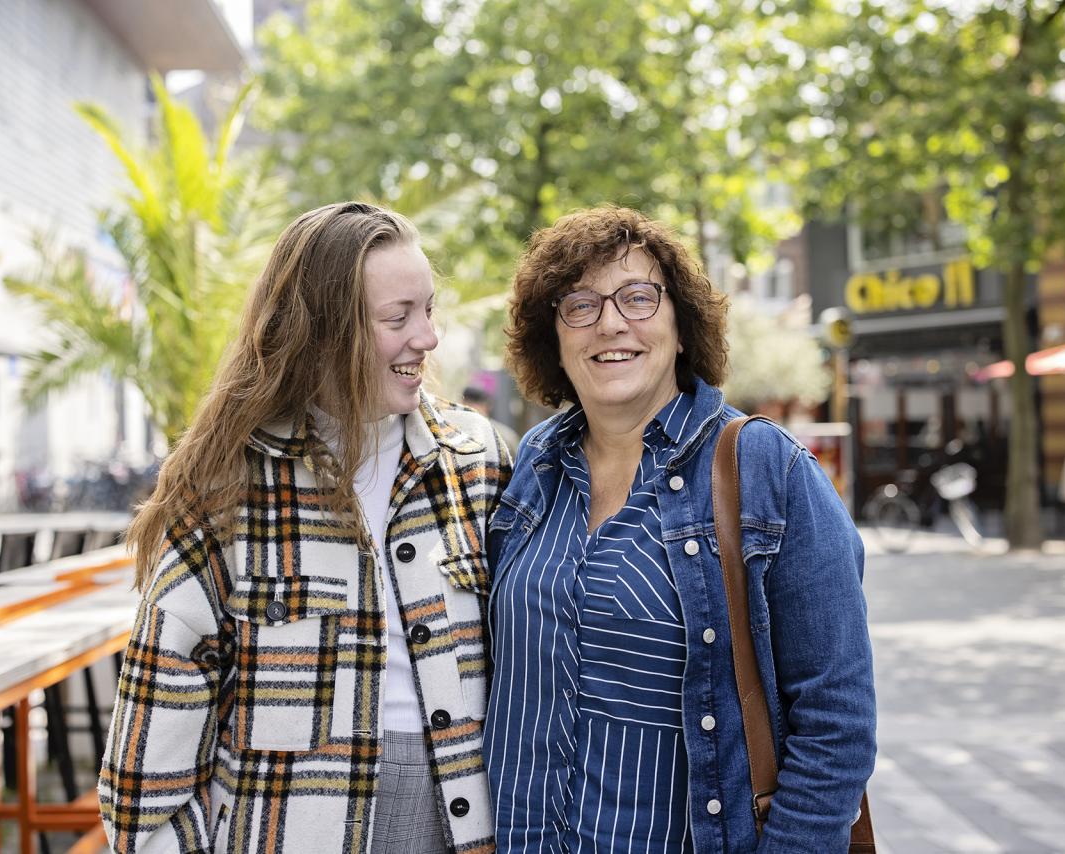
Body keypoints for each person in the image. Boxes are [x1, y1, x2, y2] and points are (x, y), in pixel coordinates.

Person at [99, 202, 512, 853]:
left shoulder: (479, 460)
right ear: (324, 333)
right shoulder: (227, 487)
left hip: (461, 826)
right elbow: (147, 775)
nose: (427, 338)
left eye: (427, 310)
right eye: (396, 318)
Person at [484, 206, 875, 852]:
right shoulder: (534, 466)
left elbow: (836, 729)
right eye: (578, 305)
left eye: (638, 297)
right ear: (552, 336)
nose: (611, 322)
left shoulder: (768, 472)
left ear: (681, 325)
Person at [462, 385, 521, 459]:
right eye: (468, 402)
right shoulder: (455, 432)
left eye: (475, 402)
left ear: (487, 405)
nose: (472, 406)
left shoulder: (504, 435)